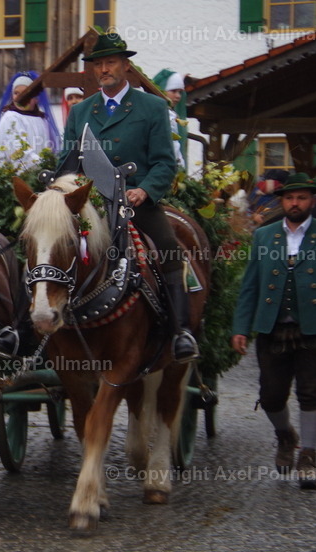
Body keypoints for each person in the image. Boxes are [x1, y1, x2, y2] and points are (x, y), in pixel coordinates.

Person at [60, 33, 198, 361]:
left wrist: (145, 190)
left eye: (110, 63)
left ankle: (181, 332)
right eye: (99, 64)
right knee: (46, 245)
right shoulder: (82, 111)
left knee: (167, 247)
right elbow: (66, 159)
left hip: (135, 203)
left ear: (125, 66)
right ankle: (28, 328)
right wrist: (67, 190)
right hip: (90, 204)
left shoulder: (152, 106)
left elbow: (165, 162)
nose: (104, 69)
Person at [231, 173, 316, 490]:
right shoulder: (263, 236)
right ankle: (285, 435)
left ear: (311, 202)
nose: (295, 203)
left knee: (310, 392)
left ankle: (309, 455)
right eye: (290, 198)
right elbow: (249, 286)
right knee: (271, 395)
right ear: (282, 202)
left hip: (315, 327)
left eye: (301, 198)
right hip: (271, 326)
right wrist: (240, 327)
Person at [0, 71, 60, 170]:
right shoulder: (11, 118)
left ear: (36, 98)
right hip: (18, 177)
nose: (21, 97)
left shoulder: (42, 120)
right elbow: (19, 152)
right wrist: (42, 166)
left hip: (40, 176)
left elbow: (49, 148)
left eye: (26, 93)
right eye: (16, 93)